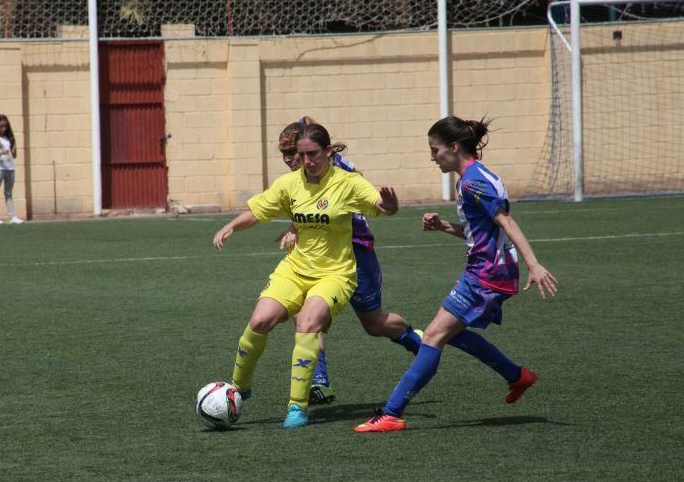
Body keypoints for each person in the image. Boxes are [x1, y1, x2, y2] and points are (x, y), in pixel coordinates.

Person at [355, 115, 558, 433]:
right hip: (489, 270)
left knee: (433, 336)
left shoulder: (472, 181)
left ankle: (392, 413)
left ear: (453, 147)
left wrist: (533, 263)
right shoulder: (476, 175)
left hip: (486, 274)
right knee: (453, 333)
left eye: (435, 150)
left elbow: (505, 222)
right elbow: (482, 231)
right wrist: (443, 226)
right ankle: (516, 375)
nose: (432, 156)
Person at [213, 122, 399, 429]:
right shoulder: (290, 184)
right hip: (296, 269)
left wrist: (389, 206)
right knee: (260, 321)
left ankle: (297, 407)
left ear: (328, 152)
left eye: (312, 154)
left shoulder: (348, 183)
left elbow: (379, 204)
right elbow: (259, 210)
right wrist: (230, 226)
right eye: (302, 155)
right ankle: (237, 388)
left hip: (335, 274)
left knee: (309, 321)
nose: (306, 161)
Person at [275, 118, 425, 406]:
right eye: (286, 156)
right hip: (319, 258)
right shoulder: (301, 175)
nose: (290, 161)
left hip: (356, 252)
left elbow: (354, 190)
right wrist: (295, 228)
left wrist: (382, 203)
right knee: (305, 316)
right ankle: (318, 382)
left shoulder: (337, 167)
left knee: (374, 324)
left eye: (293, 154)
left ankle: (419, 342)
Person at [0, 114, 24, 225]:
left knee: (8, 193)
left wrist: (14, 150)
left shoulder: (8, 138)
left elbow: (14, 155)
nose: (3, 129)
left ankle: (12, 216)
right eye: (1, 127)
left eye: (5, 127)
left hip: (10, 168)